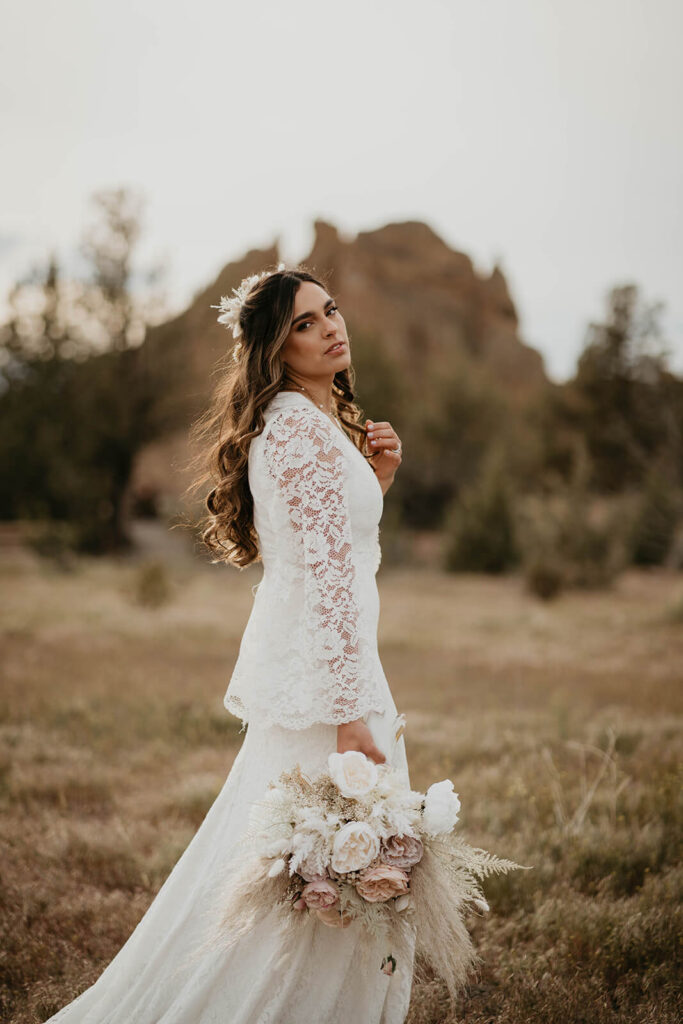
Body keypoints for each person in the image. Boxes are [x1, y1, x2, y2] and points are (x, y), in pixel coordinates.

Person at [45, 263, 414, 1023]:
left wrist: (377, 476)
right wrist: (349, 714)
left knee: (313, 864)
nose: (329, 327)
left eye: (330, 310)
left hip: (332, 666)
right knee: (310, 867)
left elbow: (334, 542)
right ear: (276, 349)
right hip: (330, 681)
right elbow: (328, 580)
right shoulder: (295, 431)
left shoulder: (309, 424)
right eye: (304, 323)